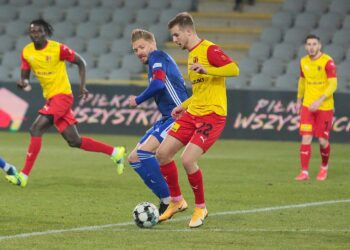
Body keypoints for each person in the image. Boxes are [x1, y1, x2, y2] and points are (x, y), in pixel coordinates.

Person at [5, 19, 125, 187]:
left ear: (45, 32)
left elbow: (81, 62)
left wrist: (82, 86)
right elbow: (25, 75)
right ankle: (115, 152)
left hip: (62, 96)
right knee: (74, 141)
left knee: (35, 129)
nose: (35, 34)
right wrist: (23, 82)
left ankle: (23, 176)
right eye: (32, 31)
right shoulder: (27, 52)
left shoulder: (57, 49)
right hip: (51, 98)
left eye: (38, 31)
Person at [156, 12, 240, 228]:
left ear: (188, 31)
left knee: (187, 160)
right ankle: (176, 201)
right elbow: (200, 92)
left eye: (176, 35)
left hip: (213, 115)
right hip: (193, 113)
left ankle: (200, 207)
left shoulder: (209, 49)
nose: (174, 40)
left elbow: (234, 69)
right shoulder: (192, 55)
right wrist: (181, 107)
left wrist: (209, 69)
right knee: (162, 154)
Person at [127, 29, 189, 214]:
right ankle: (165, 199)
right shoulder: (153, 62)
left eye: (142, 47)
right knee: (134, 158)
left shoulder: (158, 56)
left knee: (145, 153)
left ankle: (173, 199)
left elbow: (158, 84)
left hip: (179, 116)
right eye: (135, 49)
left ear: (152, 44)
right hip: (166, 118)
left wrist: (137, 99)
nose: (139, 52)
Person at [295, 34, 337, 181]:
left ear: (319, 45)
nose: (311, 47)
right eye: (309, 44)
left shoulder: (328, 62)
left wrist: (319, 101)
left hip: (324, 106)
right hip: (308, 106)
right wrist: (299, 99)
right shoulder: (303, 62)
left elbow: (333, 84)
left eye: (314, 44)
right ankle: (304, 172)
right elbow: (302, 81)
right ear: (305, 47)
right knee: (306, 138)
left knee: (322, 141)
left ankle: (324, 167)